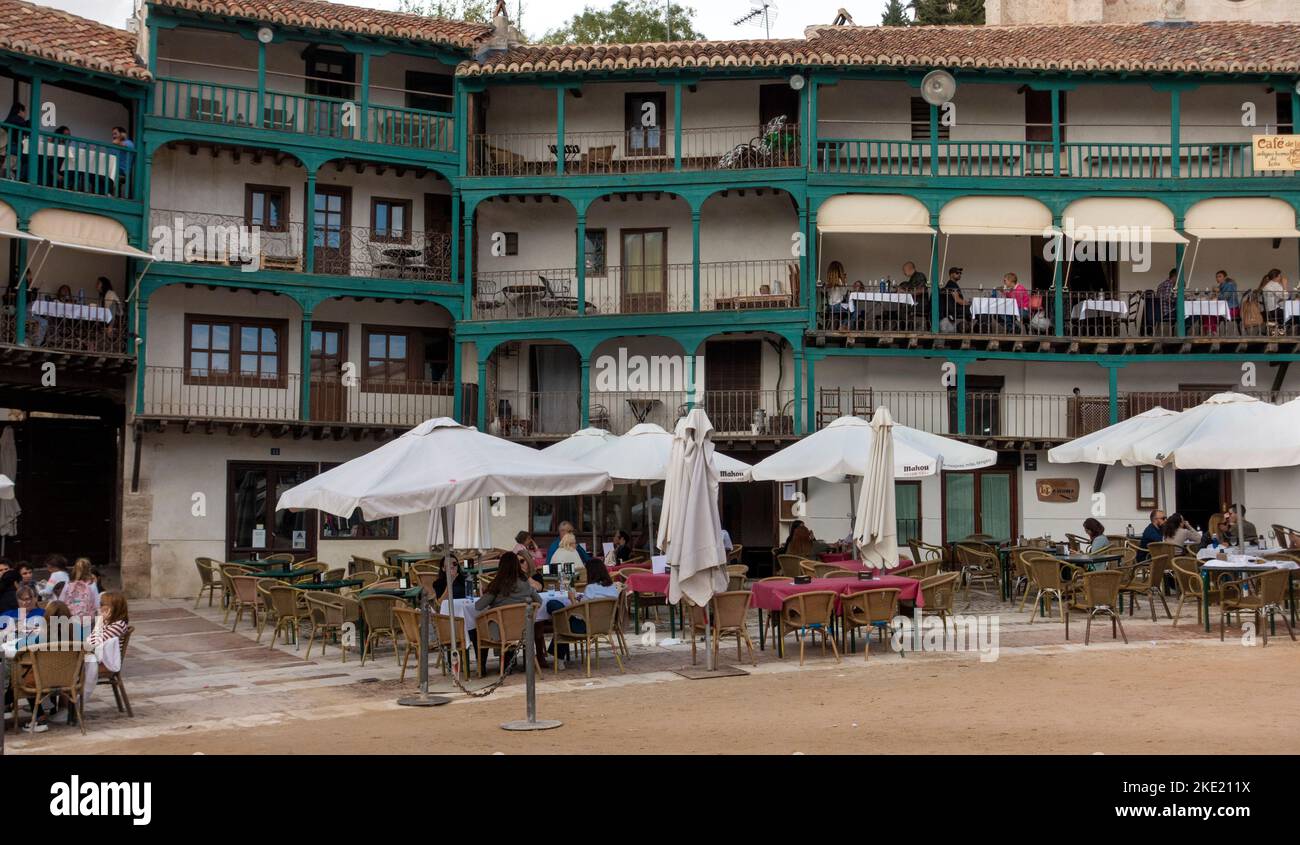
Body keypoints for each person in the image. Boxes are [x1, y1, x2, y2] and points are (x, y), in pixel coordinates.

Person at [473, 552, 548, 668]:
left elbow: (478, 606)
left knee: (474, 629)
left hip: (500, 633)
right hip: (523, 631)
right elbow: (539, 601)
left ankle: (481, 668)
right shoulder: (526, 585)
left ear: (501, 567)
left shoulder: (497, 585)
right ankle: (510, 663)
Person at [547, 556, 620, 660]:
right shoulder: (612, 587)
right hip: (605, 625)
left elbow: (579, 613)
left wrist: (572, 599)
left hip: (586, 627)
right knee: (562, 618)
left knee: (555, 609)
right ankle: (558, 656)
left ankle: (557, 657)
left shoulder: (591, 588)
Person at [940, 267, 969, 332]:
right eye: (957, 273)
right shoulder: (951, 284)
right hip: (955, 309)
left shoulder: (953, 284)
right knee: (974, 311)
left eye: (960, 273)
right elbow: (957, 300)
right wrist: (969, 304)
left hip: (955, 309)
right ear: (951, 274)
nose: (959, 274)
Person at [110, 126, 134, 196]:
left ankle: (112, 195)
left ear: (122, 134)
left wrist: (118, 141)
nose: (113, 136)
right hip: (113, 169)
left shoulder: (129, 143)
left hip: (122, 172)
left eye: (115, 134)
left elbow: (125, 145)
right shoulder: (114, 146)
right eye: (113, 134)